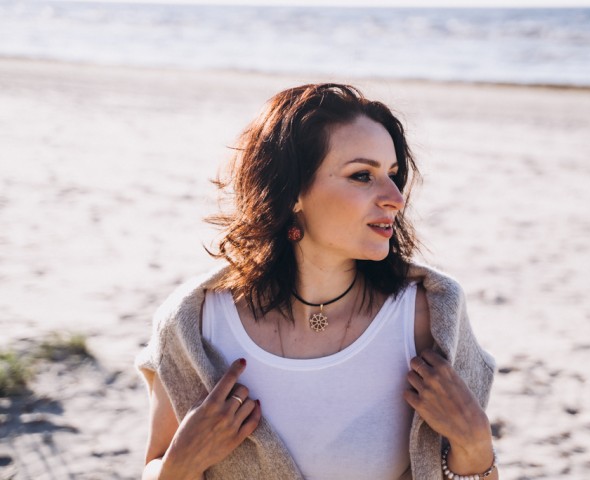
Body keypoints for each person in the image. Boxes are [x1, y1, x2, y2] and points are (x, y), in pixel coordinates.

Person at [136, 83, 498, 480]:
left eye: (393, 175)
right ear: (292, 191)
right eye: (363, 175)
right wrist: (179, 465)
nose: (395, 198)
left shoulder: (428, 316)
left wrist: (476, 445)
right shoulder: (194, 323)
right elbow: (154, 465)